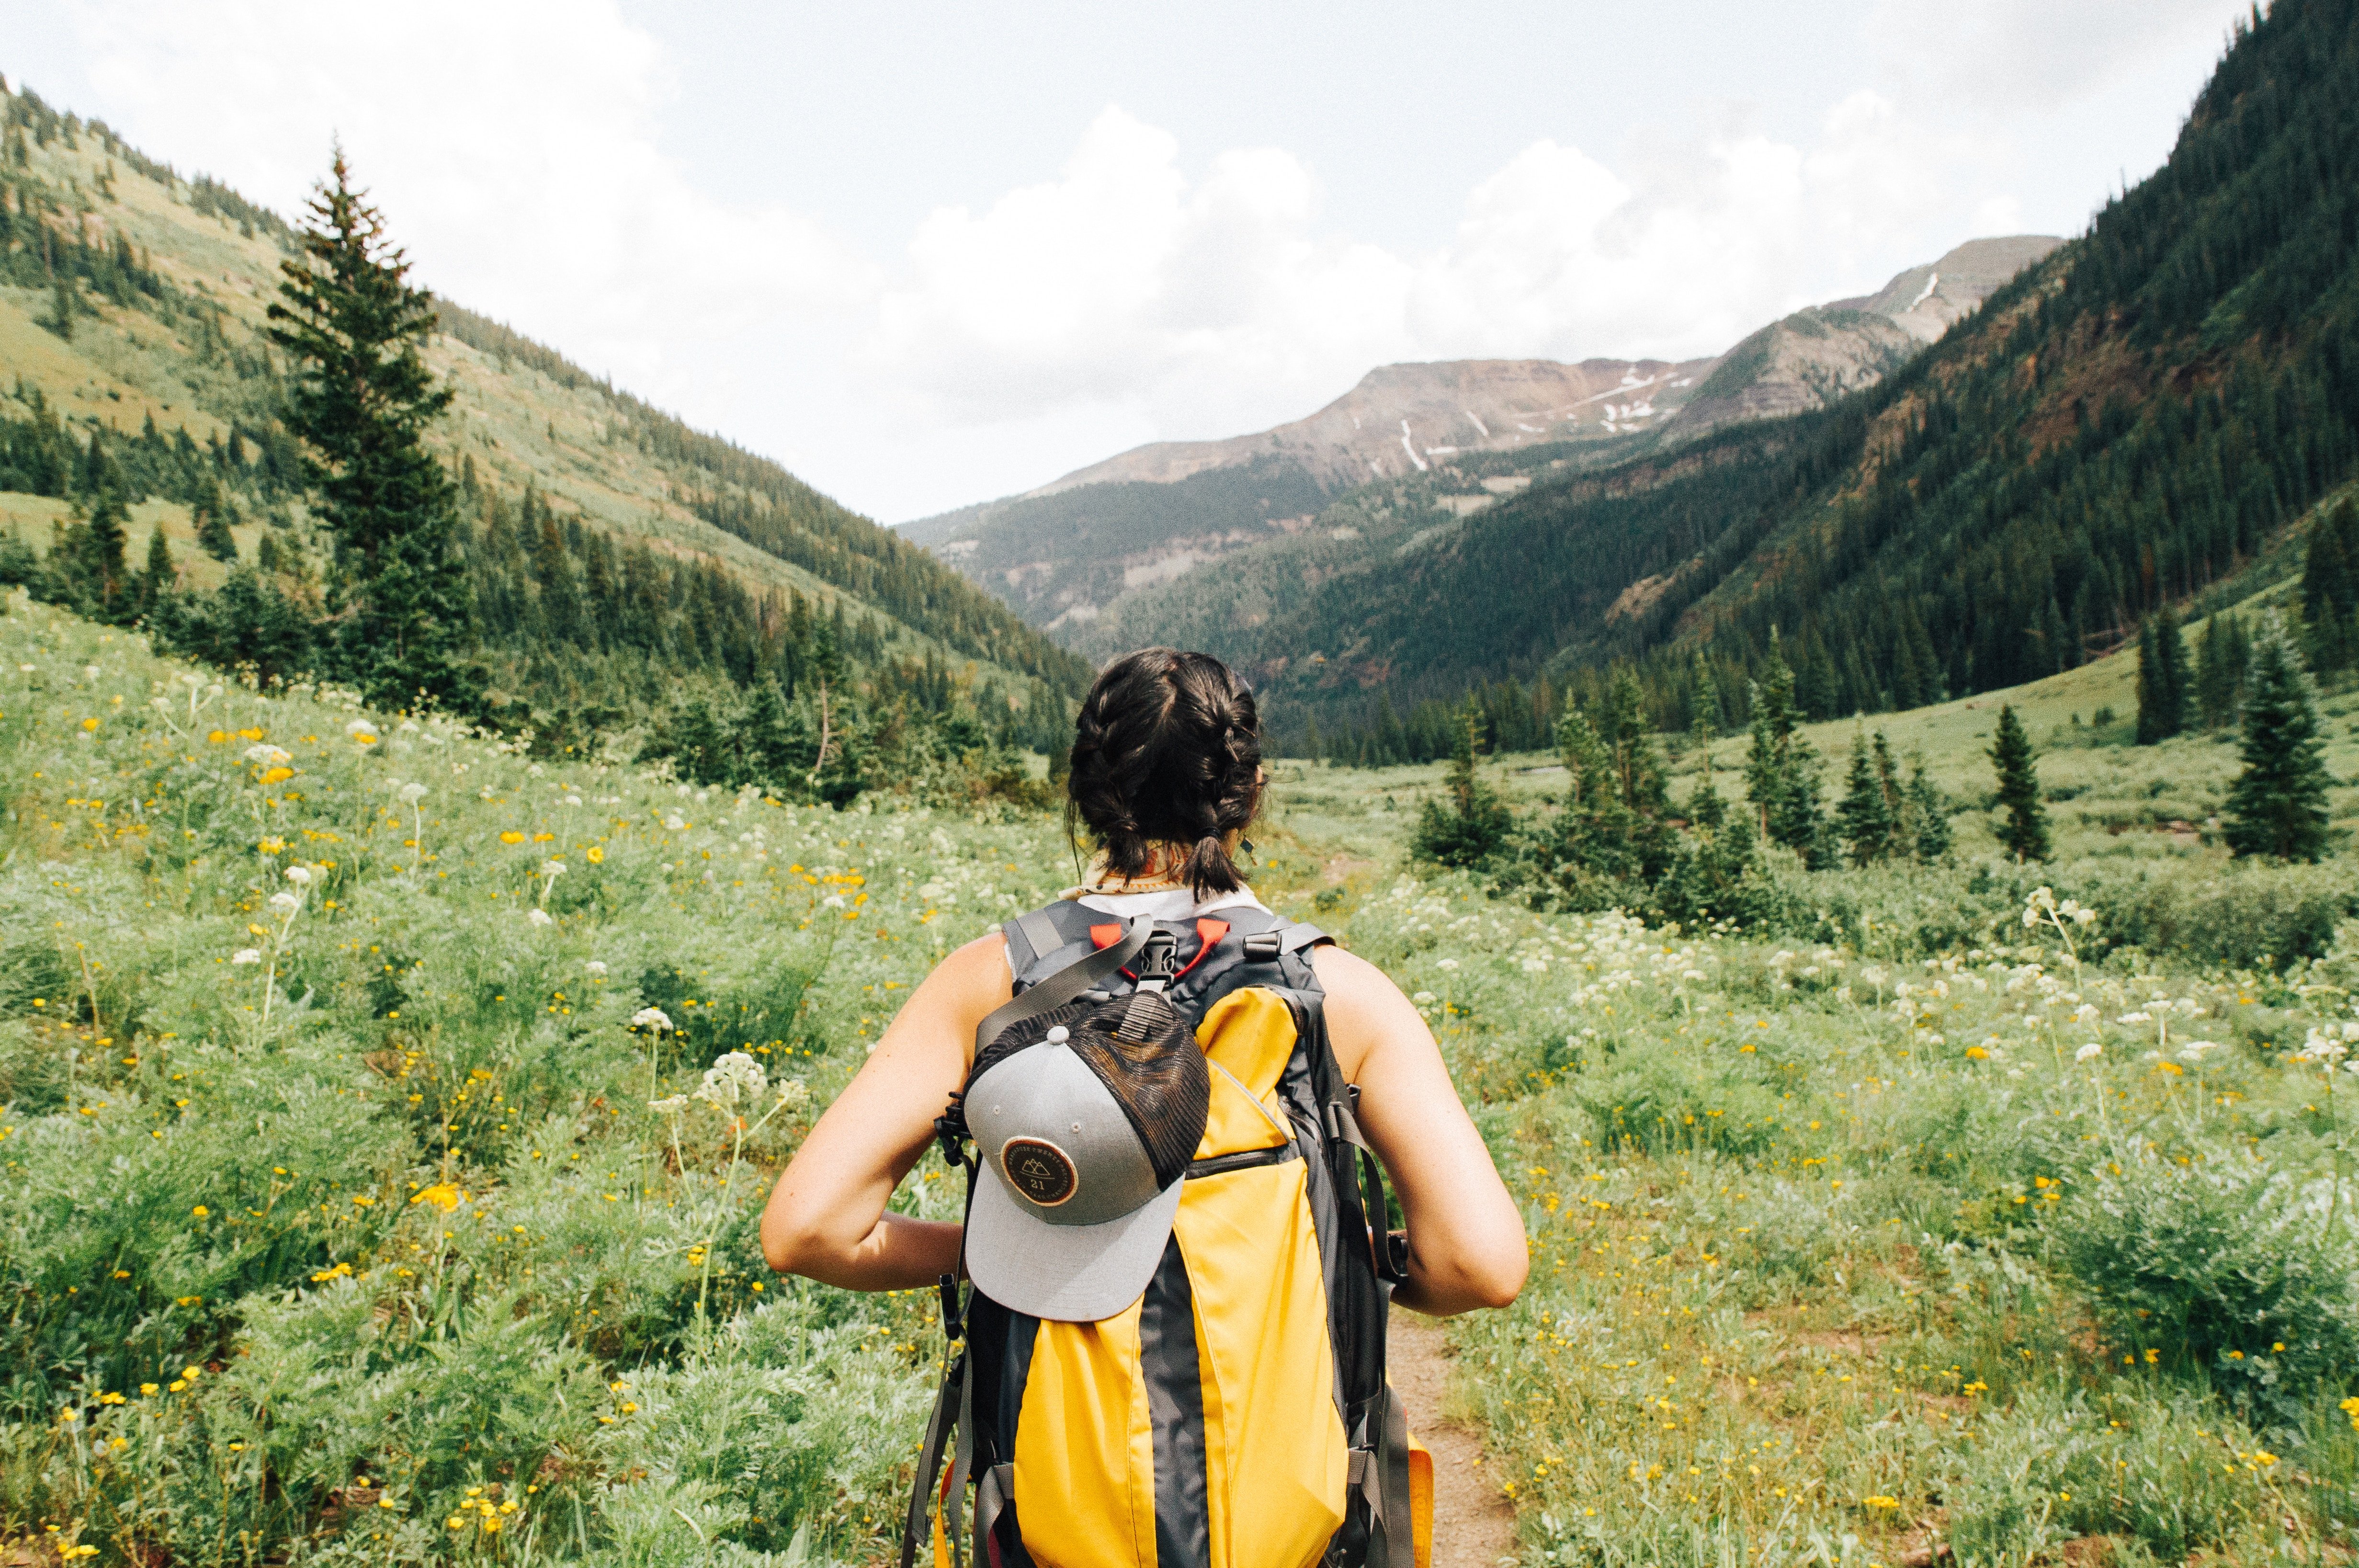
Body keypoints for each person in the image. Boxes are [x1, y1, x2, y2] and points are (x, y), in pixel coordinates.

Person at [762, 647, 1525, 1563]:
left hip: (1060, 1524)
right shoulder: (1338, 993)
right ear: (1248, 792)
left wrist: (1004, 1248)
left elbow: (807, 1229)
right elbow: (1482, 1266)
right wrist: (1353, 1258)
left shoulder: (991, 983)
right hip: (1293, 1528)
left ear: (1085, 792)